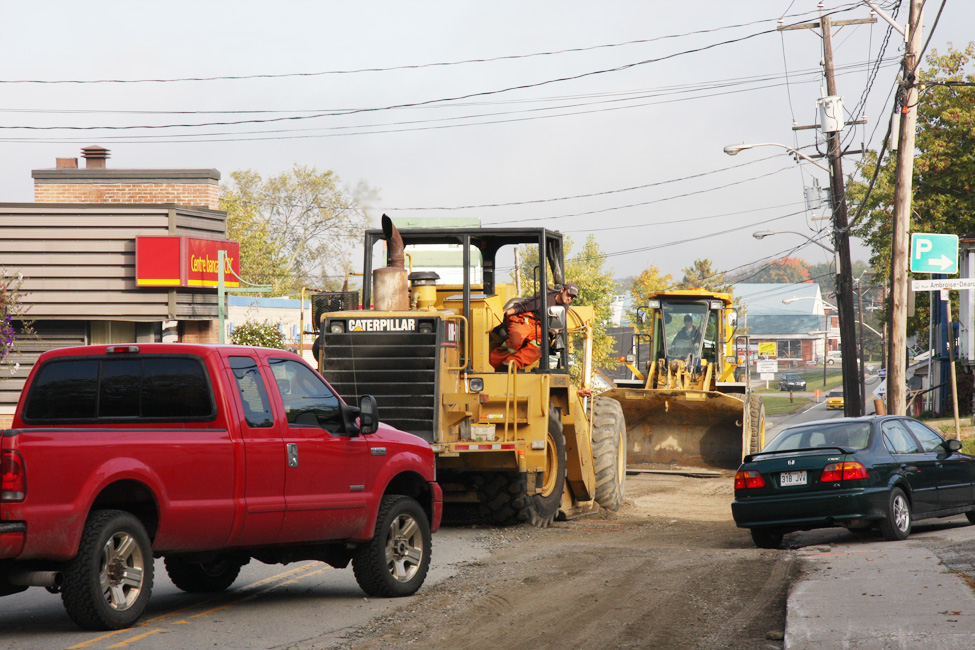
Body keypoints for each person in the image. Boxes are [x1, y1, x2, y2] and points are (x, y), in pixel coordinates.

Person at [489, 282, 578, 370]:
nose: (569, 298)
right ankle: (492, 364)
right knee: (516, 341)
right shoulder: (544, 297)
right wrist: (504, 313)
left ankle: (512, 364)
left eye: (572, 297)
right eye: (568, 294)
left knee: (542, 344)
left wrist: (554, 332)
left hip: (538, 326)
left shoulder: (565, 306)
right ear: (562, 290)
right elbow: (522, 307)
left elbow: (559, 323)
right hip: (524, 320)